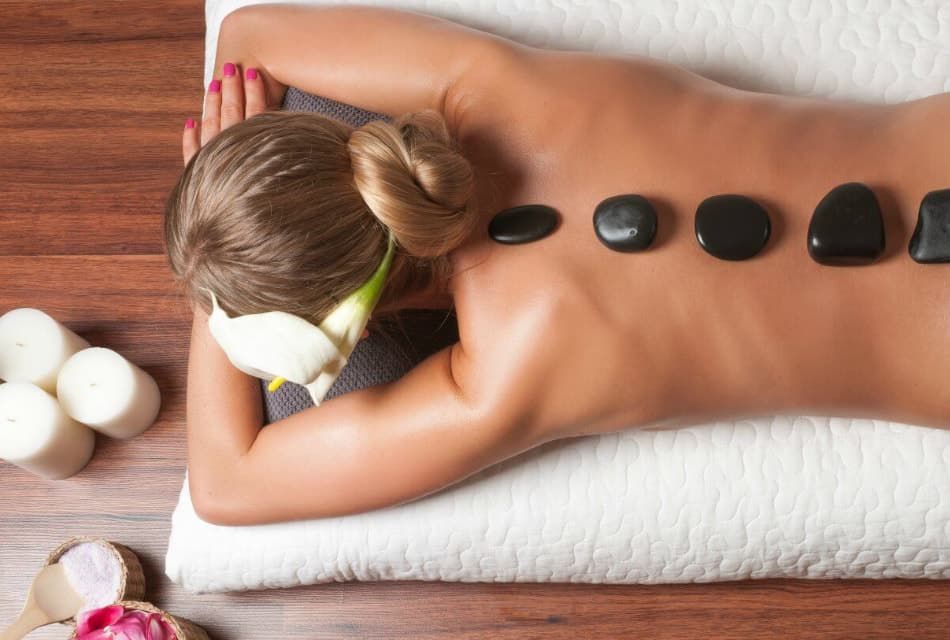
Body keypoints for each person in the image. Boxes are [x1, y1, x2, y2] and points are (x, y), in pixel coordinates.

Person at [166, 3, 950, 525]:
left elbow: (228, 482)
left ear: (345, 325)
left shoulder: (498, 384)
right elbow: (248, 36)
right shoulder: (490, 87)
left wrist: (222, 300)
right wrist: (229, 165)